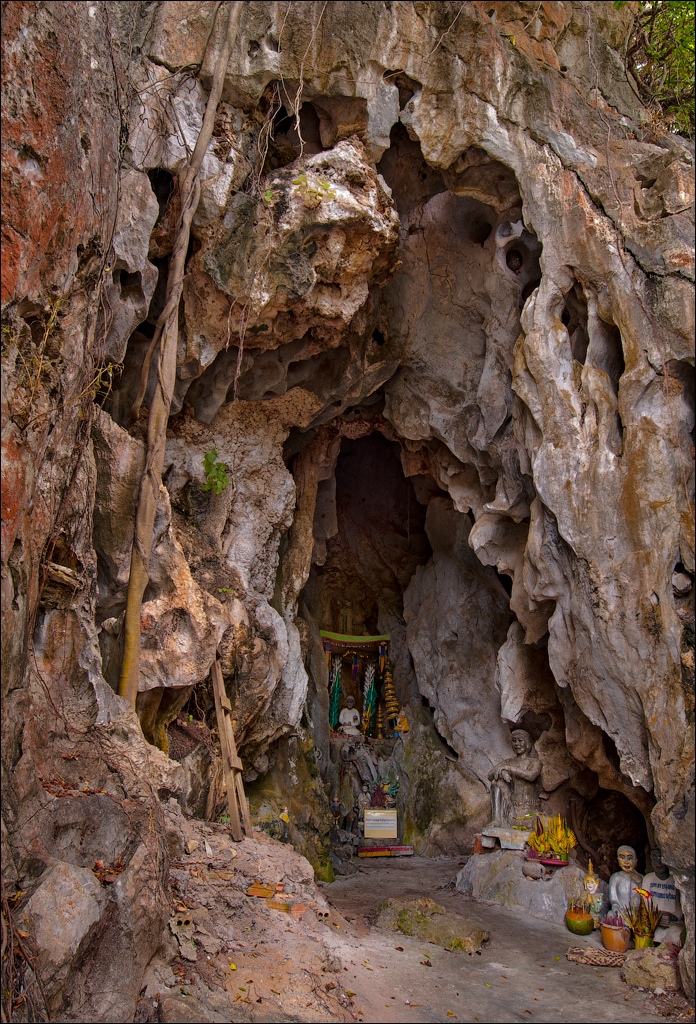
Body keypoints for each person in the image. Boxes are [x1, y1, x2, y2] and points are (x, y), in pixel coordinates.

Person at [487, 729, 542, 827]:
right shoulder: (508, 762)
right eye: (514, 741)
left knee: (540, 823)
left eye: (520, 741)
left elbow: (531, 776)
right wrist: (502, 772)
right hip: (511, 810)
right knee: (497, 782)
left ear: (528, 743)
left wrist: (509, 769)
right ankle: (497, 819)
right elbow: (490, 775)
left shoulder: (534, 762)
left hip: (529, 810)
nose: (517, 744)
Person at [642, 848, 683, 942]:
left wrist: (672, 917)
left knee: (676, 935)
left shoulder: (675, 880)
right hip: (654, 922)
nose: (658, 862)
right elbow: (646, 904)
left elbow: (682, 907)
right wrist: (656, 917)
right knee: (652, 936)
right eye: (654, 858)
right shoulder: (648, 879)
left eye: (661, 858)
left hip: (673, 924)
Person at [608, 845, 643, 915]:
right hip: (621, 911)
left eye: (630, 858)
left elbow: (646, 897)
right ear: (618, 859)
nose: (626, 862)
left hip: (637, 913)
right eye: (622, 858)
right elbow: (613, 896)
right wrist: (615, 907)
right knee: (610, 915)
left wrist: (639, 882)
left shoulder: (641, 877)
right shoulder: (615, 877)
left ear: (636, 861)